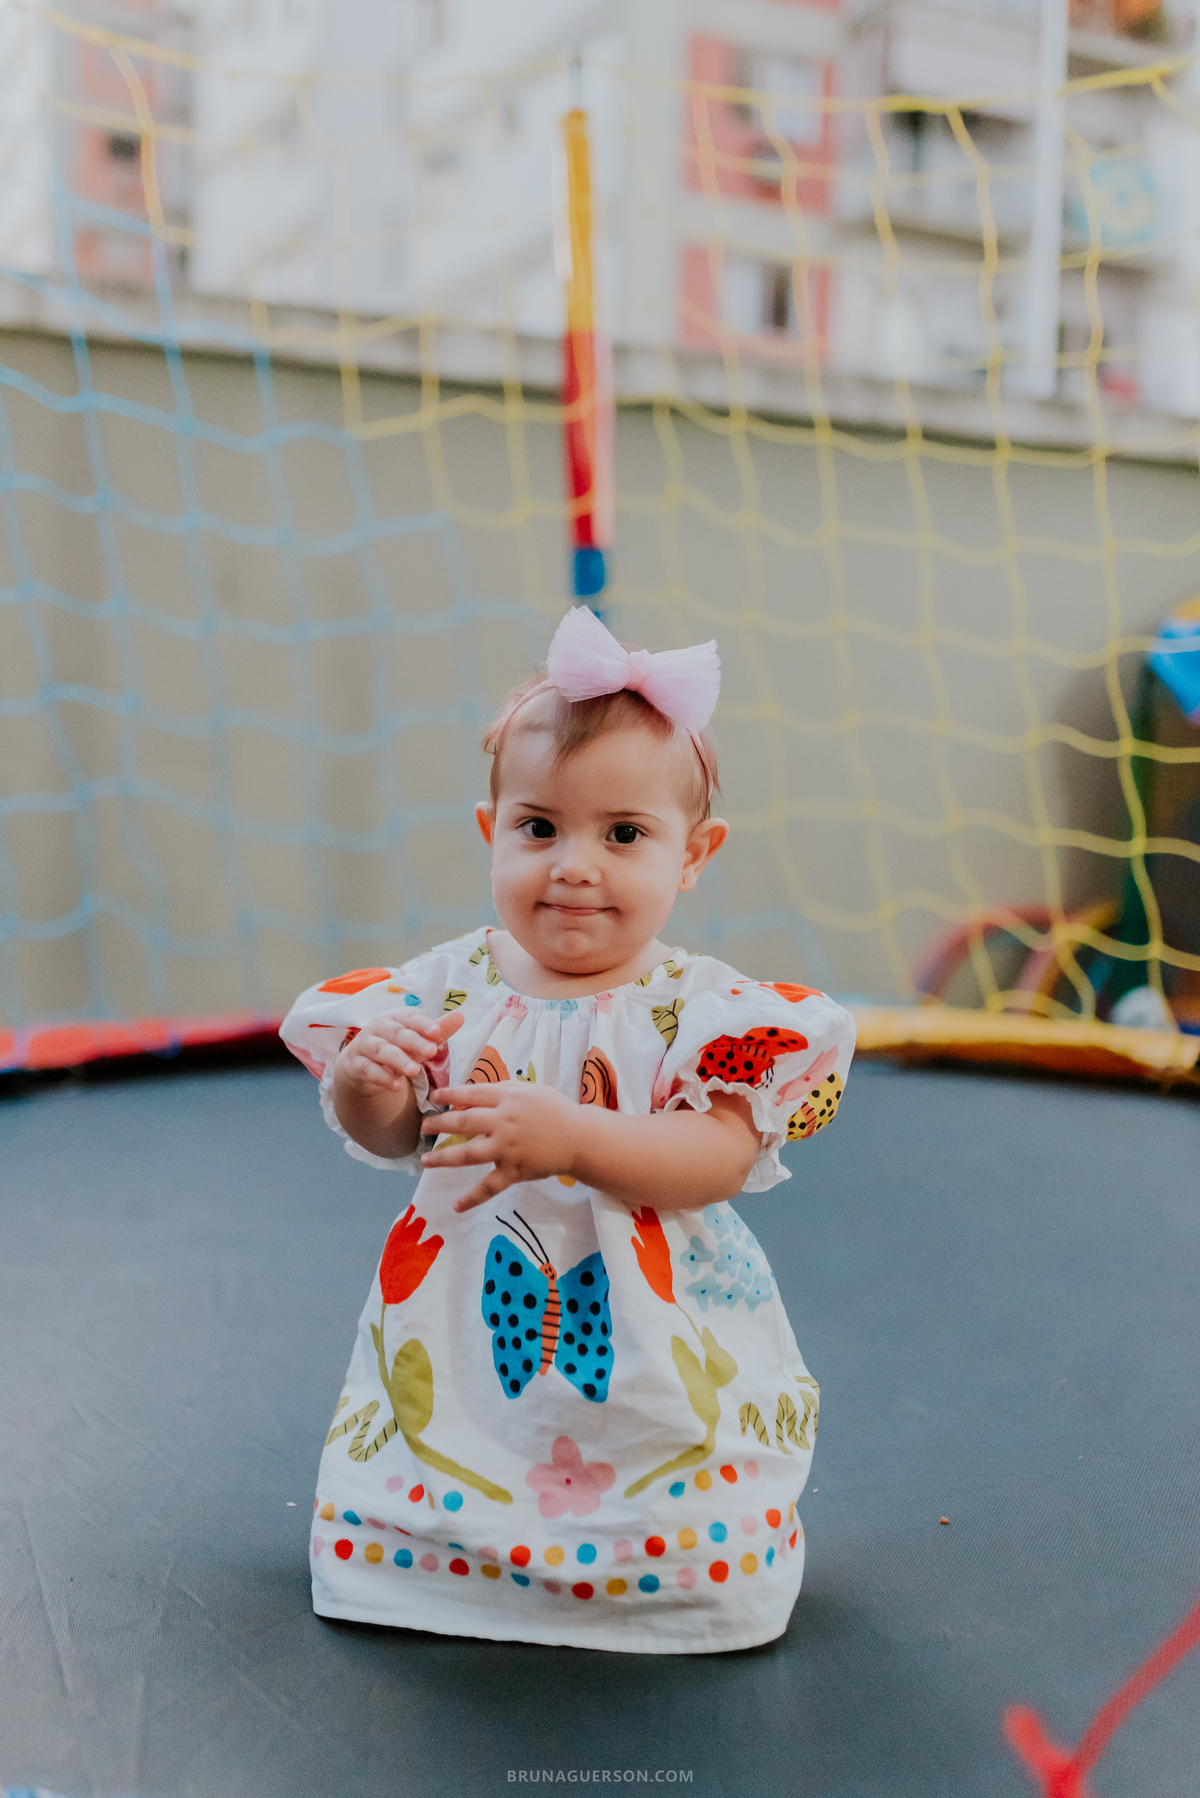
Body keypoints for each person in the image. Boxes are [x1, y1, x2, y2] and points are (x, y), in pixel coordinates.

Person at [279, 606, 856, 1653]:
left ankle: (676, 1581)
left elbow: (721, 1157)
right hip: (463, 1312)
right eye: (539, 827)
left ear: (694, 854)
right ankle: (439, 1564)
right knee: (452, 1443)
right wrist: (371, 1080)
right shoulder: (443, 984)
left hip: (644, 1312)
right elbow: (395, 1132)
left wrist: (575, 1137)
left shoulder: (705, 1011)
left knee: (652, 1460)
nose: (574, 864)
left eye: (624, 833)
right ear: (490, 831)